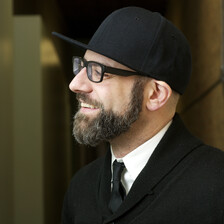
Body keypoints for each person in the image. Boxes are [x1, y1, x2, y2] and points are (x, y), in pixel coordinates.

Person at [53, 6, 224, 224]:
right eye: (82, 66)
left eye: (97, 71)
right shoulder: (81, 187)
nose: (75, 84)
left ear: (155, 95)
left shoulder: (217, 186)